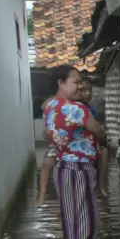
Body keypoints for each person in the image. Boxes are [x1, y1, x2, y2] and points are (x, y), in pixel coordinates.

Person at [43, 65, 106, 239]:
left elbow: (47, 135)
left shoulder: (50, 106)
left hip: (63, 167)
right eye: (75, 82)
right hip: (80, 168)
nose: (79, 87)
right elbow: (98, 130)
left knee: (71, 219)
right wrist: (100, 133)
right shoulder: (75, 109)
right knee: (86, 219)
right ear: (61, 83)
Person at [38, 75, 107, 205]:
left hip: (79, 146)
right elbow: (45, 107)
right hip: (63, 146)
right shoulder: (66, 105)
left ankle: (101, 183)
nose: (86, 93)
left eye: (89, 91)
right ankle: (42, 194)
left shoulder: (86, 109)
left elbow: (96, 129)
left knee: (103, 151)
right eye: (81, 89)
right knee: (47, 163)